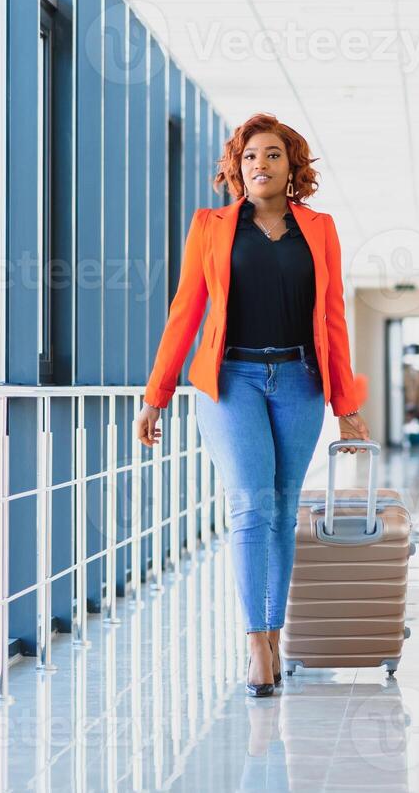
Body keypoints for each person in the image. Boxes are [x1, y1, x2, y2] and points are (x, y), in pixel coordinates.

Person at [134, 112, 372, 698]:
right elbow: (184, 313)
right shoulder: (211, 227)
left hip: (299, 380)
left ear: (291, 166)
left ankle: (273, 630)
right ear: (236, 169)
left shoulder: (319, 230)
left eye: (271, 155)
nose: (259, 165)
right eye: (248, 157)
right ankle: (256, 644)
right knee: (249, 507)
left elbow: (333, 319)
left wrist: (344, 401)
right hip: (231, 380)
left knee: (282, 511)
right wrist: (155, 396)